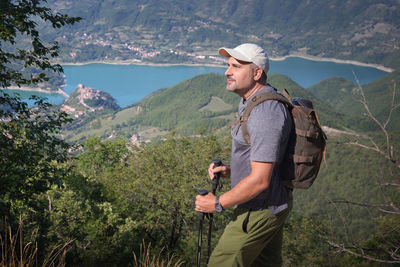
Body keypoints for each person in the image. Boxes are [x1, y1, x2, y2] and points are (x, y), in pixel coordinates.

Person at [195, 43, 293, 267]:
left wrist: (217, 203)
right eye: (228, 65)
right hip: (269, 205)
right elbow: (265, 163)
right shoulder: (251, 102)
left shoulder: (265, 113)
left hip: (259, 209)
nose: (227, 72)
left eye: (236, 66)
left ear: (257, 73)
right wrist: (232, 171)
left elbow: (260, 180)